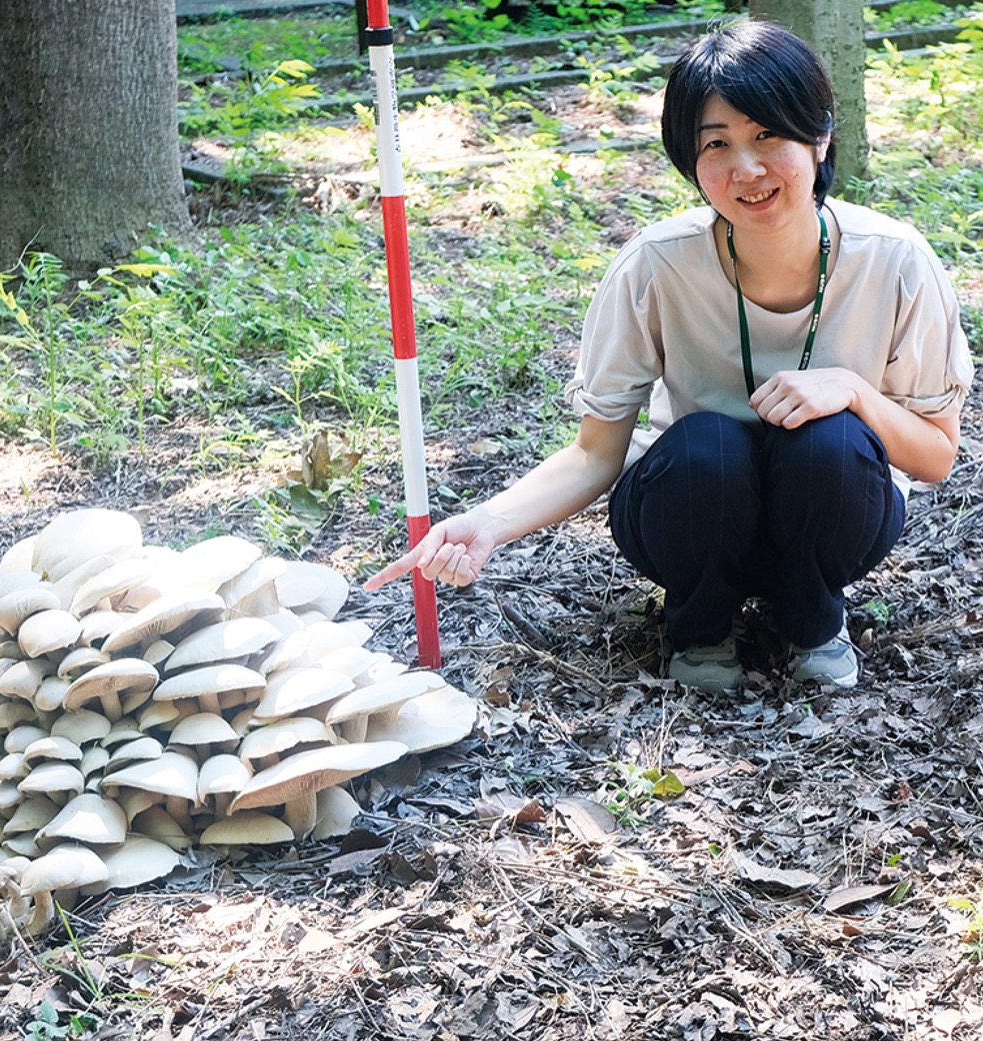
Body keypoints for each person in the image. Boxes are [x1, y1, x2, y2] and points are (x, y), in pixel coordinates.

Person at [364, 19, 973, 694]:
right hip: (695, 514)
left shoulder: (895, 261)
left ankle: (813, 622)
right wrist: (485, 524)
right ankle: (700, 628)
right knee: (708, 446)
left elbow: (935, 454)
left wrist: (855, 392)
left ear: (820, 136)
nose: (746, 168)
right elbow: (594, 453)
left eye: (767, 135)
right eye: (717, 144)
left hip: (833, 515)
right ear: (690, 159)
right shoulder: (655, 264)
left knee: (829, 440)